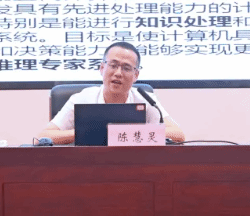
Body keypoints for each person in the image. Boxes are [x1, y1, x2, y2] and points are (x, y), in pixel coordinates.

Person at [39, 42, 185, 145]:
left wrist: (123, 132)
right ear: (102, 68)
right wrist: (85, 132)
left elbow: (178, 135)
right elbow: (44, 136)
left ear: (136, 75)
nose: (118, 73)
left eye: (126, 68)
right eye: (113, 65)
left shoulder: (145, 99)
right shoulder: (82, 98)